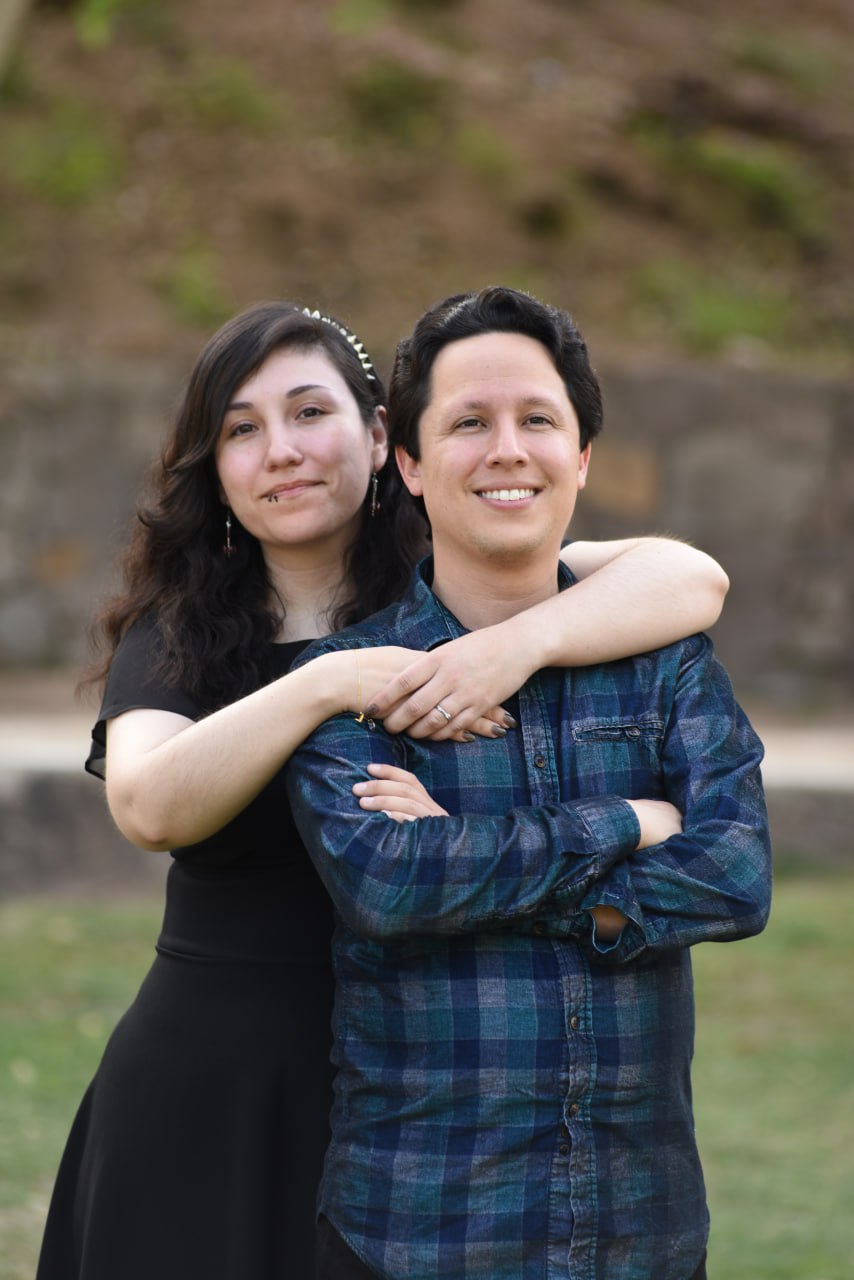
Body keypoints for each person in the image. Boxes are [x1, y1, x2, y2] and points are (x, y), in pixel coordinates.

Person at [36, 299, 731, 1280]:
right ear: (215, 468)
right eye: (241, 429)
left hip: (423, 1087)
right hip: (217, 1078)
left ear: (378, 439)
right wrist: (325, 681)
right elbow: (148, 805)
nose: (281, 449)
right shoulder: (183, 630)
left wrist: (518, 643)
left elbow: (691, 578)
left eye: (308, 412)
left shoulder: (450, 584)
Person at [286, 286, 772, 1280]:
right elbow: (391, 884)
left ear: (580, 455)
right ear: (408, 462)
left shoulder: (667, 663)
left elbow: (734, 875)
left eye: (537, 420)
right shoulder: (355, 681)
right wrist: (626, 821)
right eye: (469, 423)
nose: (507, 449)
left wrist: (474, 862)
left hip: (638, 1232)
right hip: (416, 1232)